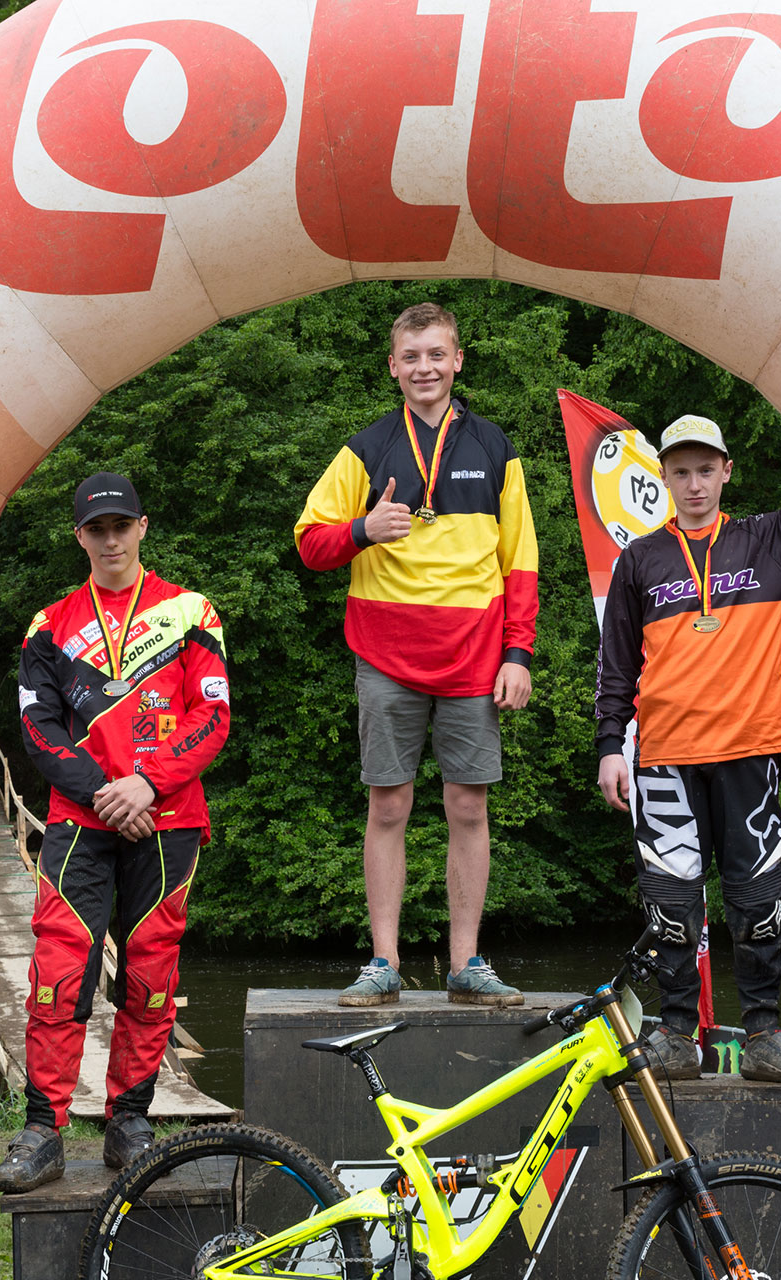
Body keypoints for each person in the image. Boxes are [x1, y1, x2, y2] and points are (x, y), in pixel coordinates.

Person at [594, 338, 781, 1085]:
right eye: (680, 471)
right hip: (662, 754)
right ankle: (673, 1033)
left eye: (705, 470)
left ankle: (763, 1033)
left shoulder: (773, 540)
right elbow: (617, 665)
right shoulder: (640, 561)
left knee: (758, 897)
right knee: (669, 900)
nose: (693, 484)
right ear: (663, 478)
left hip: (750, 747)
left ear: (727, 471)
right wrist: (606, 746)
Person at [0, 472, 230, 1190]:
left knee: (152, 975)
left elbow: (212, 716)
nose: (111, 538)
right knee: (59, 975)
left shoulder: (192, 611)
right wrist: (102, 790)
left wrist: (148, 783)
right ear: (80, 538)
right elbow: (38, 728)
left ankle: (129, 1121)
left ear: (143, 527)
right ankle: (43, 1130)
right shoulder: (48, 625)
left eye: (122, 525)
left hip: (168, 816)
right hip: (79, 821)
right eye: (97, 528)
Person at [295, 302, 540, 1009]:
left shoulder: (495, 446)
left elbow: (520, 560)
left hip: (473, 657)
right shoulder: (366, 448)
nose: (425, 367)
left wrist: (518, 653)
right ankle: (383, 961)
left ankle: (466, 963)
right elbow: (310, 542)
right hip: (386, 655)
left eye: (437, 354)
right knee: (389, 803)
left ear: (458, 360)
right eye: (412, 356)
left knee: (468, 805)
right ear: (394, 367)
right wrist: (363, 529)